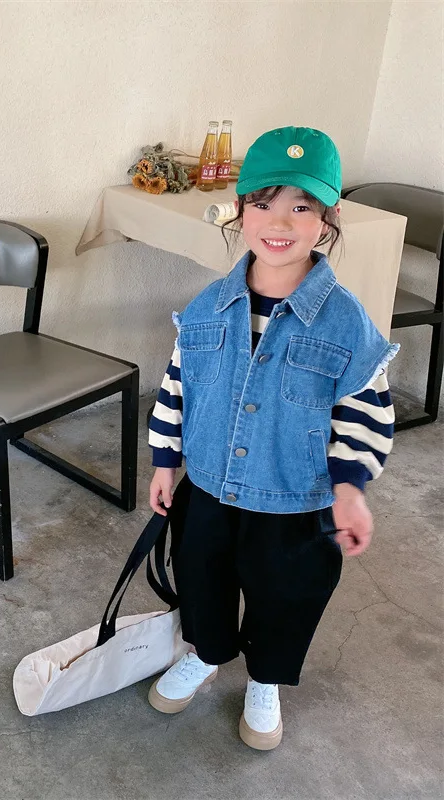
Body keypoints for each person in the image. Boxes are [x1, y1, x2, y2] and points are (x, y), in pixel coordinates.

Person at [147, 127, 399, 750]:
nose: (279, 222)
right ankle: (207, 655)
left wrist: (350, 490)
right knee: (202, 584)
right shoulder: (208, 305)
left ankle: (265, 679)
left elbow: (365, 413)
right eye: (263, 203)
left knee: (287, 598)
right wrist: (164, 461)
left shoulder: (347, 323)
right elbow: (178, 385)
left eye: (302, 207)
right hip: (208, 490)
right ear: (240, 209)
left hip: (296, 504)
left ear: (328, 218)